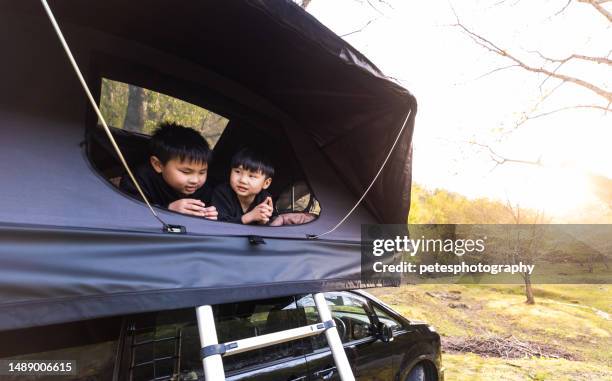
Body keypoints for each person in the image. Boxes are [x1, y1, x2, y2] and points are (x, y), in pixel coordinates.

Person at [119, 122, 218, 219]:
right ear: (157, 165)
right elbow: (128, 214)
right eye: (186, 172)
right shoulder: (138, 180)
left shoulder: (206, 190)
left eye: (202, 172)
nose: (195, 180)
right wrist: (168, 209)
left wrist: (208, 215)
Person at [212, 148, 277, 224]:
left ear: (266, 183)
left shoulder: (265, 199)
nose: (242, 180)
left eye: (252, 176)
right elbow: (219, 225)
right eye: (237, 172)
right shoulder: (222, 193)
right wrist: (248, 217)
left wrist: (263, 222)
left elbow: (271, 224)